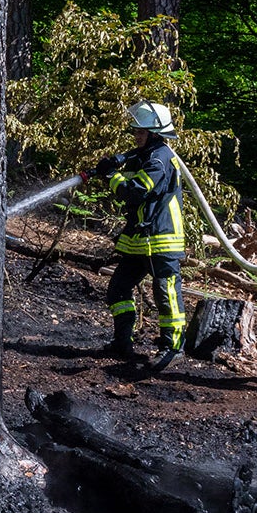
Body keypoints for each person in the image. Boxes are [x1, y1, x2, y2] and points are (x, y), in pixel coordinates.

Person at [89, 100, 186, 370]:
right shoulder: (145, 154)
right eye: (135, 132)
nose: (136, 136)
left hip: (161, 238)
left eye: (140, 133)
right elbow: (130, 163)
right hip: (140, 240)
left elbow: (135, 191)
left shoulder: (160, 158)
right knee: (118, 288)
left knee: (165, 294)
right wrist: (113, 163)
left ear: (155, 134)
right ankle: (123, 341)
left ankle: (173, 347)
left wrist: (111, 177)